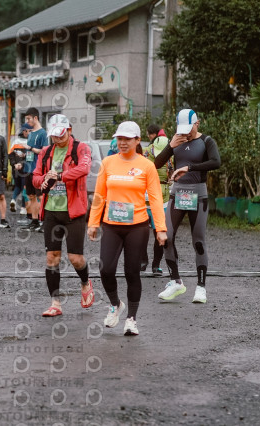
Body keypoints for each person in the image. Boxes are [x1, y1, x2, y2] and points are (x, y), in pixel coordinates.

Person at [87, 121, 167, 336]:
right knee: (105, 270)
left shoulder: (147, 166)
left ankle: (131, 319)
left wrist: (161, 228)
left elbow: (156, 199)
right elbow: (99, 195)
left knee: (132, 272)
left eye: (127, 139)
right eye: (119, 139)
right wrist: (93, 222)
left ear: (137, 141)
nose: (121, 143)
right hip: (111, 225)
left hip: (137, 226)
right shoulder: (108, 163)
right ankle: (115, 305)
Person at [154, 109, 221, 304]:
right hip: (178, 193)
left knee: (198, 241)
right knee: (166, 236)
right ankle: (176, 282)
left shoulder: (206, 141)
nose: (186, 133)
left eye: (189, 128)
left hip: (198, 195)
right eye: (182, 129)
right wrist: (170, 145)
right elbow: (157, 163)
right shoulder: (176, 140)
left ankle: (201, 288)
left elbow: (216, 162)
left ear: (197, 123)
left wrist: (189, 168)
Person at [32, 115, 93, 317]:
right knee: (52, 258)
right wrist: (43, 180)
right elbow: (35, 177)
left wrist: (59, 176)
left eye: (61, 135)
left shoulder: (80, 148)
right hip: (51, 210)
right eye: (54, 136)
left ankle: (85, 283)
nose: (58, 139)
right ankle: (55, 303)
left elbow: (84, 169)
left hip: (73, 211)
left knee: (75, 258)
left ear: (69, 129)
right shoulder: (46, 152)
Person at [142, 124, 172, 275]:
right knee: (149, 232)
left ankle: (151, 262)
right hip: (153, 195)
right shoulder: (148, 152)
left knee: (151, 232)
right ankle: (150, 263)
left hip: (156, 197)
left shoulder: (171, 154)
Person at [21, 107, 49, 231]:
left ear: (36, 118)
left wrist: (30, 148)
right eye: (26, 119)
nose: (27, 121)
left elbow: (45, 151)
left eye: (29, 119)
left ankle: (45, 221)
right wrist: (24, 153)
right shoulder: (31, 133)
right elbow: (30, 150)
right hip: (28, 168)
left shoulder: (43, 133)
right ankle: (34, 220)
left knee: (41, 196)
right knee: (31, 195)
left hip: (38, 170)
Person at [9, 123, 32, 215]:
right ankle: (23, 207)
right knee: (24, 187)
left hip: (16, 169)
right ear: (24, 131)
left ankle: (13, 200)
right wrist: (22, 164)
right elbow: (29, 157)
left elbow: (10, 155)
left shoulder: (15, 141)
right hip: (25, 169)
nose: (29, 133)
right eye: (28, 131)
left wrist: (14, 164)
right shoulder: (30, 142)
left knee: (18, 186)